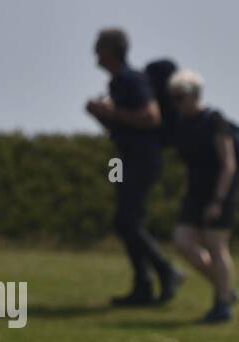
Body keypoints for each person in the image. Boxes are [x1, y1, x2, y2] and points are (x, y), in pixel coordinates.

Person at [86, 28, 184, 306]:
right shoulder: (118, 82)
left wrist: (108, 111)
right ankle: (143, 285)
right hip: (127, 158)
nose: (94, 54)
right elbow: (121, 125)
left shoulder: (132, 79)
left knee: (126, 221)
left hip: (143, 159)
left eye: (98, 48)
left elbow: (151, 117)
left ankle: (166, 271)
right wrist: (100, 115)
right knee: (128, 222)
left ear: (109, 51)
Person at [167, 69, 239, 324]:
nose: (176, 102)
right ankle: (226, 289)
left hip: (219, 191)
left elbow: (228, 164)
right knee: (182, 241)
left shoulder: (214, 120)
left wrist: (218, 200)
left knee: (216, 244)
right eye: (173, 97)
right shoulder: (182, 124)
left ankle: (222, 305)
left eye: (180, 97)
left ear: (194, 95)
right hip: (195, 192)